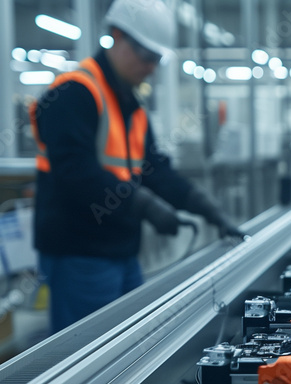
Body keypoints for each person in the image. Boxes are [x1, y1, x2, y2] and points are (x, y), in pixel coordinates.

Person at [30, 0, 240, 333]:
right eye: (145, 56)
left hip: (121, 248)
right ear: (116, 36)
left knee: (127, 348)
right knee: (88, 360)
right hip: (80, 252)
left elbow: (155, 170)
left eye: (157, 59)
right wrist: (144, 205)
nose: (151, 67)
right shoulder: (74, 93)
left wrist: (205, 206)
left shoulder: (131, 104)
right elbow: (76, 173)